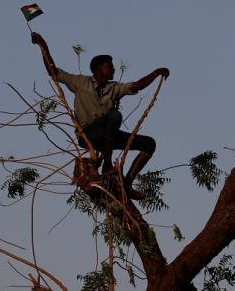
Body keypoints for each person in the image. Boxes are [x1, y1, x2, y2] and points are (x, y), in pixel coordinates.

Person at [31, 32, 169, 200]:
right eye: (109, 66)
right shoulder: (81, 82)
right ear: (98, 69)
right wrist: (42, 44)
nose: (113, 69)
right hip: (88, 134)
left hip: (108, 136)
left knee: (148, 143)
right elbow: (53, 71)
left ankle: (127, 184)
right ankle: (107, 164)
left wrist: (155, 73)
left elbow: (136, 85)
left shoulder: (113, 88)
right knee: (114, 116)